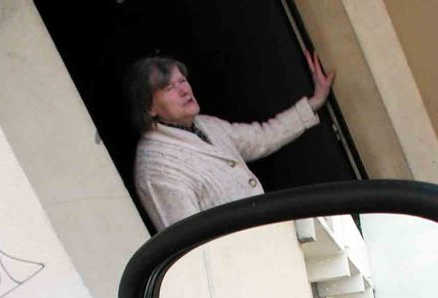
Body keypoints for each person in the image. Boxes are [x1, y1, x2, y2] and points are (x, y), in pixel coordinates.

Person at [125, 52, 335, 231]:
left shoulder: (206, 125)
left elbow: (261, 138)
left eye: (182, 81)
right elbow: (188, 243)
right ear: (149, 108)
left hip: (266, 237)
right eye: (169, 88)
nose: (184, 90)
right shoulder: (156, 168)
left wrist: (314, 102)